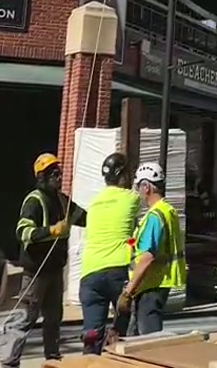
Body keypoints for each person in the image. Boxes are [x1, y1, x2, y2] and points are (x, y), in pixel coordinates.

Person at [3, 153, 86, 368]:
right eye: (54, 174)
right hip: (36, 272)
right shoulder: (34, 201)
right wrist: (51, 230)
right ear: (42, 176)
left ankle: (53, 359)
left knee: (53, 318)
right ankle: (10, 362)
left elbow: (84, 217)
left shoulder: (62, 200)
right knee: (26, 318)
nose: (59, 177)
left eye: (59, 173)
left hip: (55, 270)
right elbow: (23, 232)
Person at [79, 152, 141, 354]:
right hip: (117, 270)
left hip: (90, 273)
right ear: (123, 175)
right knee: (125, 328)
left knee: (91, 335)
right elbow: (136, 233)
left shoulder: (95, 204)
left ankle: (89, 361)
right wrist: (130, 243)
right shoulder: (132, 198)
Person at [116, 162, 186, 335]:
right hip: (157, 283)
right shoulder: (167, 210)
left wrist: (128, 291)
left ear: (146, 187)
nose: (138, 191)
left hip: (151, 284)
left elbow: (148, 256)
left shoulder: (155, 215)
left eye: (139, 186)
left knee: (149, 338)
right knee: (135, 334)